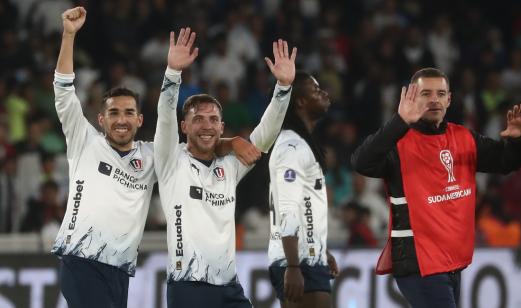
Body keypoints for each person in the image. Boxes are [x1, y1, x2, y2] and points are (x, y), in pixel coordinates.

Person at [52, 8, 255, 308]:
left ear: (139, 119)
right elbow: (64, 91)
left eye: (129, 113)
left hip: (120, 270)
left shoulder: (151, 157)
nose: (121, 119)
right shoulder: (84, 141)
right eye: (114, 113)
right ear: (101, 119)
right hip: (81, 260)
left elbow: (197, 145)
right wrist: (69, 36)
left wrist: (232, 141)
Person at [350, 67, 521, 308]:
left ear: (449, 99)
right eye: (426, 93)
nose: (434, 99)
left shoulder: (464, 138)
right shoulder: (398, 142)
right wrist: (400, 122)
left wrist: (519, 140)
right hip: (419, 262)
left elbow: (506, 161)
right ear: (412, 98)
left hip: (452, 262)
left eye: (440, 93)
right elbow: (361, 162)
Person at [154, 27, 297, 308]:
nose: (206, 125)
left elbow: (264, 136)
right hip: (188, 288)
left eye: (213, 119)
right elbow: (165, 117)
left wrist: (283, 89)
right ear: (184, 126)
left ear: (221, 125)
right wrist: (172, 73)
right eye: (198, 119)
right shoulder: (171, 162)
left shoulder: (229, 167)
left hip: (229, 289)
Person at [266, 71, 339, 308]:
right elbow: (288, 208)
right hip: (298, 261)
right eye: (316, 91)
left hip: (306, 256)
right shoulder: (292, 146)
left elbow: (305, 203)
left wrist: (321, 248)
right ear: (300, 102)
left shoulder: (300, 143)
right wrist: (294, 266)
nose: (324, 94)